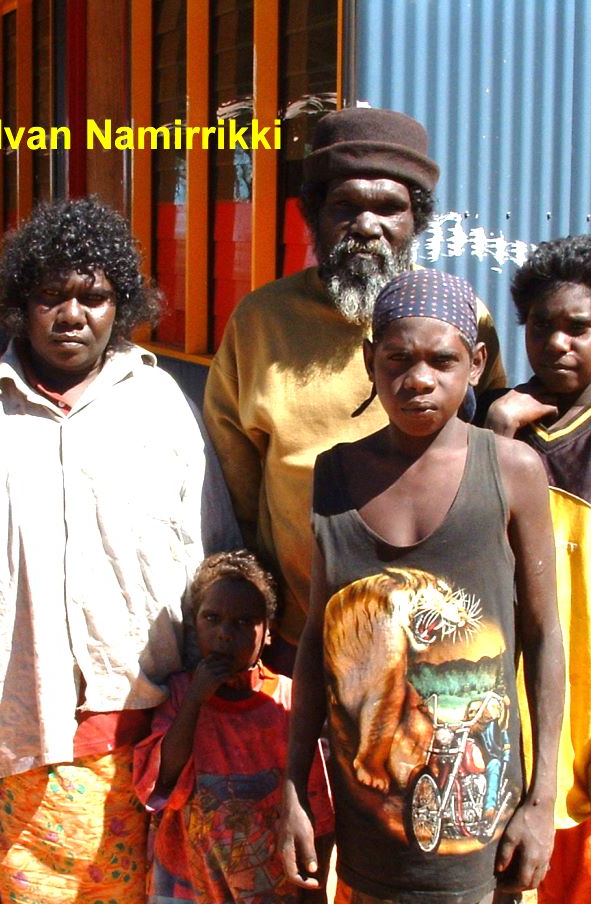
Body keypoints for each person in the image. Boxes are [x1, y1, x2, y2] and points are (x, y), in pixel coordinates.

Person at [0, 197, 207, 904]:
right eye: (50, 296)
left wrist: (210, 688)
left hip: (148, 732)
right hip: (21, 731)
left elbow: (207, 550)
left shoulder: (159, 406)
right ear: (19, 306)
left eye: (93, 296)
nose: (72, 314)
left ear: (119, 304)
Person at [279, 269, 564, 903]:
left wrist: (541, 801)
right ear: (369, 360)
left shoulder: (511, 471)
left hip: (484, 838)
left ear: (477, 363)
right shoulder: (336, 476)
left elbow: (545, 638)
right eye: (398, 358)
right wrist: (294, 790)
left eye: (443, 360)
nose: (419, 379)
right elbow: (316, 644)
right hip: (368, 834)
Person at [203, 106, 506, 673]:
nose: (367, 225)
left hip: (439, 644)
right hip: (302, 639)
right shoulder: (259, 322)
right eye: (346, 205)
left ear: (416, 219)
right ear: (313, 214)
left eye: (389, 207)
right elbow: (235, 491)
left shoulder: (464, 320)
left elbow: (492, 452)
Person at [477, 234, 591, 902]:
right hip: (493, 730)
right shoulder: (485, 427)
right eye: (542, 326)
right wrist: (496, 434)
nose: (559, 343)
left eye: (580, 327)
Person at [133, 549, 332, 903]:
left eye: (243, 622)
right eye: (212, 618)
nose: (225, 633)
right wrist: (196, 698)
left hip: (268, 885)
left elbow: (317, 805)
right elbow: (161, 784)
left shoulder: (287, 700)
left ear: (268, 632)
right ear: (195, 625)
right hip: (191, 883)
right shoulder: (180, 694)